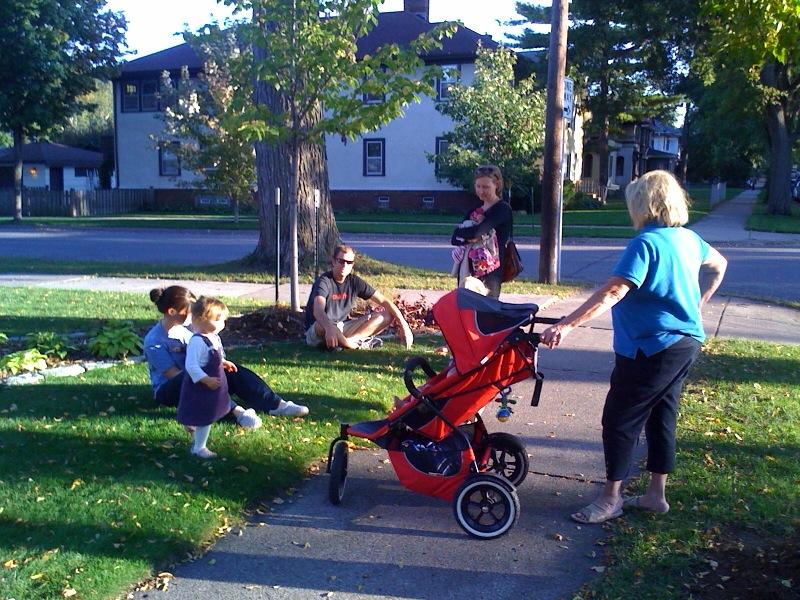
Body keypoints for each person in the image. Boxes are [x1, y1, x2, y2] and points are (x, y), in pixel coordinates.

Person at [539, 170, 727, 524]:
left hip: (651, 348)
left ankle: (611, 499)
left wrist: (565, 325)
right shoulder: (688, 238)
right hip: (685, 343)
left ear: (643, 204)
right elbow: (719, 265)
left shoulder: (646, 244)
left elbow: (613, 291)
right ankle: (656, 495)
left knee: (620, 419)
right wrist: (697, 304)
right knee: (662, 415)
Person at [144, 285, 309, 420]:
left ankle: (277, 405)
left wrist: (219, 364)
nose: (194, 314)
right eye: (189, 310)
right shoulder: (154, 341)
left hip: (199, 374)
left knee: (232, 369)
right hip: (170, 389)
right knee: (205, 375)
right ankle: (237, 413)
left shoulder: (191, 327)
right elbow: (174, 375)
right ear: (172, 312)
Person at [304, 244, 414, 350]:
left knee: (387, 315)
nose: (344, 265)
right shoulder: (324, 281)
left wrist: (404, 325)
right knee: (321, 325)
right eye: (341, 261)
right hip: (319, 331)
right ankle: (353, 346)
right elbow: (318, 310)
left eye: (349, 262)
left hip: (342, 327)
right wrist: (329, 328)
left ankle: (349, 342)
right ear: (333, 261)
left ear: (352, 265)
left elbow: (384, 301)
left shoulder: (354, 282)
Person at [177, 296, 235, 458]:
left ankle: (191, 425)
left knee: (206, 413)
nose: (222, 324)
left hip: (213, 386)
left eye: (223, 320)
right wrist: (206, 380)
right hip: (202, 387)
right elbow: (191, 366)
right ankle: (199, 448)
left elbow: (211, 357)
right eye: (217, 320)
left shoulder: (212, 337)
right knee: (205, 416)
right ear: (199, 319)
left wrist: (223, 362)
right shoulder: (197, 342)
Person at [451, 165, 513, 298]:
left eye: (485, 187)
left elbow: (476, 232)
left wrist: (468, 235)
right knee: (465, 305)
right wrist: (466, 234)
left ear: (497, 185)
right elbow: (455, 238)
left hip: (489, 270)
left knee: (487, 306)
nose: (481, 191)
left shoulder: (502, 209)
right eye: (478, 186)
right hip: (467, 268)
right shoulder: (476, 208)